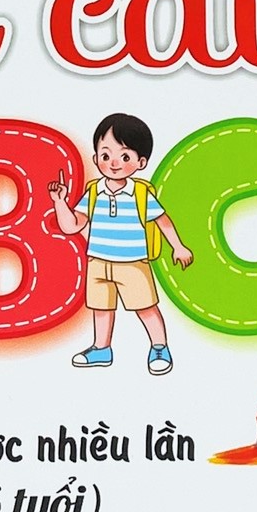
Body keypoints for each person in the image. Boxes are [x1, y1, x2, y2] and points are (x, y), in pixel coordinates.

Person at [49, 113, 191, 375]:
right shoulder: (94, 192)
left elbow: (163, 221)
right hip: (98, 261)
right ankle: (101, 349)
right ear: (96, 158)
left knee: (145, 307)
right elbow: (72, 225)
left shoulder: (140, 193)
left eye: (125, 157)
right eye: (106, 155)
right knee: (101, 308)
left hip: (132, 263)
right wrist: (60, 202)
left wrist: (178, 246)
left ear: (141, 162)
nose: (114, 163)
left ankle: (159, 347)